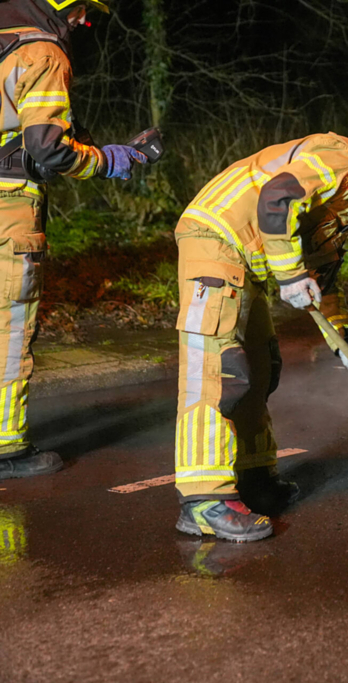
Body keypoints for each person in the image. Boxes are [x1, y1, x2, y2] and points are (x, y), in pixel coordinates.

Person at [173, 127, 348, 543]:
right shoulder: (346, 160)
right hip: (218, 241)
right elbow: (277, 197)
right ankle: (205, 501)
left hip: (246, 262)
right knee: (219, 372)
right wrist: (291, 274)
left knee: (261, 366)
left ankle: (254, 478)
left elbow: (324, 281)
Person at [0, 0, 147, 481]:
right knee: (9, 325)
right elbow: (46, 147)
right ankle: (6, 448)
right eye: (83, 8)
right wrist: (109, 160)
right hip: (8, 205)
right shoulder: (43, 52)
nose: (85, 20)